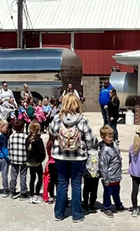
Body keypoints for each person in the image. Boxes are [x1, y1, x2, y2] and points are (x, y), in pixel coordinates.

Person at [48, 95, 95, 223]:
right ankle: (77, 215)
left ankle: (59, 213)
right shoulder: (82, 119)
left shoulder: (58, 118)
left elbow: (51, 131)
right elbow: (90, 139)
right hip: (78, 157)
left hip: (60, 156)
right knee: (76, 185)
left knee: (62, 184)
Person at [98, 125, 124, 218]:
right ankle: (107, 207)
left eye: (112, 136)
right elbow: (103, 165)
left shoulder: (114, 145)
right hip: (108, 176)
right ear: (103, 137)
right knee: (108, 192)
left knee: (116, 191)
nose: (111, 138)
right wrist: (105, 178)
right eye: (109, 137)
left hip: (116, 175)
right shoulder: (105, 150)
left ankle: (118, 204)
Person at [9, 120, 29, 199]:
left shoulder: (11, 136)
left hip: (14, 158)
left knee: (13, 175)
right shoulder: (26, 136)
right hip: (24, 158)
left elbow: (9, 147)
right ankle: (23, 192)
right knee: (23, 175)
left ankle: (12, 190)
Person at [26, 120, 45, 204]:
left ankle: (31, 195)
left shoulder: (27, 138)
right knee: (40, 178)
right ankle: (36, 194)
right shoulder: (38, 139)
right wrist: (42, 159)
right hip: (37, 161)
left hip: (30, 161)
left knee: (32, 178)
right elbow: (42, 152)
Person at [82, 132, 100, 214]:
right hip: (96, 174)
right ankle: (92, 205)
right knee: (94, 190)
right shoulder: (99, 153)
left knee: (86, 189)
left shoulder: (86, 153)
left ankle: (85, 204)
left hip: (87, 174)